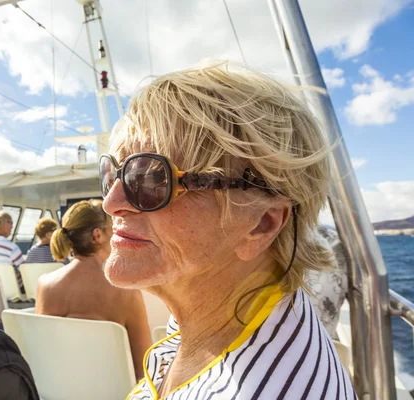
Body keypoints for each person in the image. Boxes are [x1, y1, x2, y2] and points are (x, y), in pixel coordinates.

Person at [100, 65, 355, 398]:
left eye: (151, 178)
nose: (110, 202)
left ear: (260, 225)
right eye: (112, 173)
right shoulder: (218, 304)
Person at [35, 200, 152, 381]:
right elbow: (143, 370)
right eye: (113, 227)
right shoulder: (126, 292)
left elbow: (44, 355)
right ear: (97, 235)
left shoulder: (45, 285)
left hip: (60, 390)